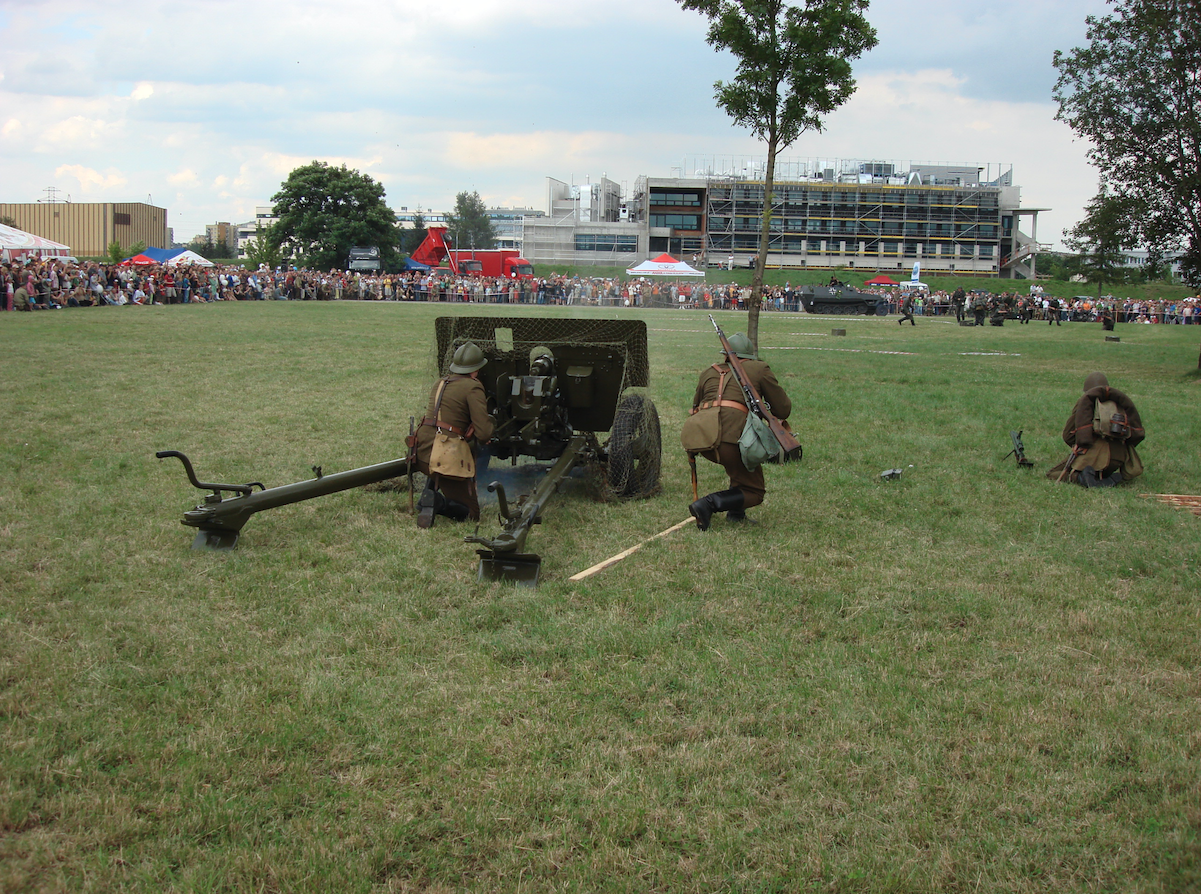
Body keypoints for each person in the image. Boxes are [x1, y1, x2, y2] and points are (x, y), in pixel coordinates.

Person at [681, 333, 792, 530]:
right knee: (754, 491)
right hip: (731, 442)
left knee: (739, 467)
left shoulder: (708, 372)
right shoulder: (759, 369)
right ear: (749, 355)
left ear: (725, 354)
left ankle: (735, 513)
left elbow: (696, 405)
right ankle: (707, 504)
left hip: (701, 439)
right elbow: (783, 409)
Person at [413, 342, 495, 528]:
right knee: (471, 514)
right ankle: (437, 502)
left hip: (422, 450)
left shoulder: (440, 382)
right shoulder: (473, 387)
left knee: (437, 461)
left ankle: (426, 497)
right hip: (446, 456)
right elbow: (483, 433)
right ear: (476, 369)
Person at [1049, 372, 1145, 487]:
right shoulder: (1119, 403)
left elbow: (1067, 435)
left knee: (1052, 474)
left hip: (1094, 457)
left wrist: (1082, 447)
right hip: (1119, 457)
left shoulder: (1085, 402)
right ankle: (1106, 479)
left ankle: (1081, 478)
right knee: (1099, 471)